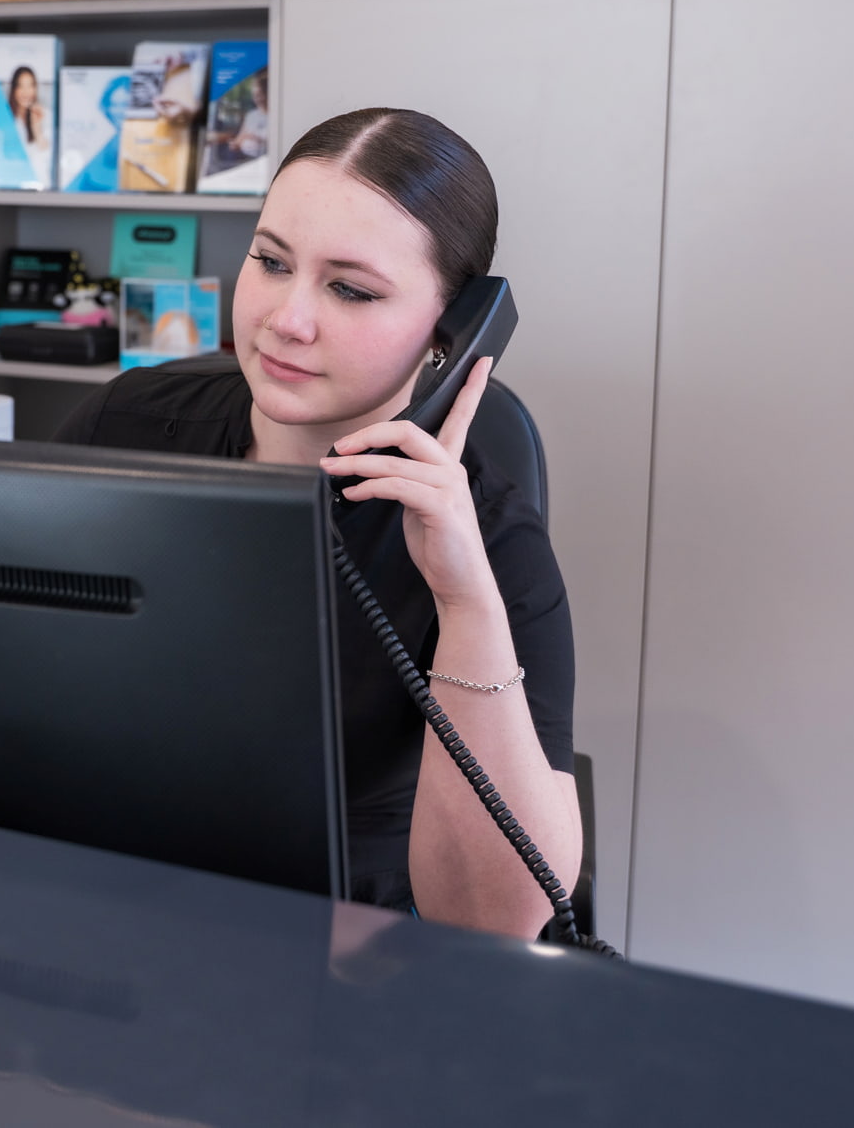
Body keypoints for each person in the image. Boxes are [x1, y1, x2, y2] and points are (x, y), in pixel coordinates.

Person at [52, 108, 580, 938]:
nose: (285, 320)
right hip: (119, 903)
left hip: (356, 943)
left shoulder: (489, 542)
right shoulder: (123, 428)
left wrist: (463, 600)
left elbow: (495, 919)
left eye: (351, 289)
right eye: (270, 261)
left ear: (453, 331)